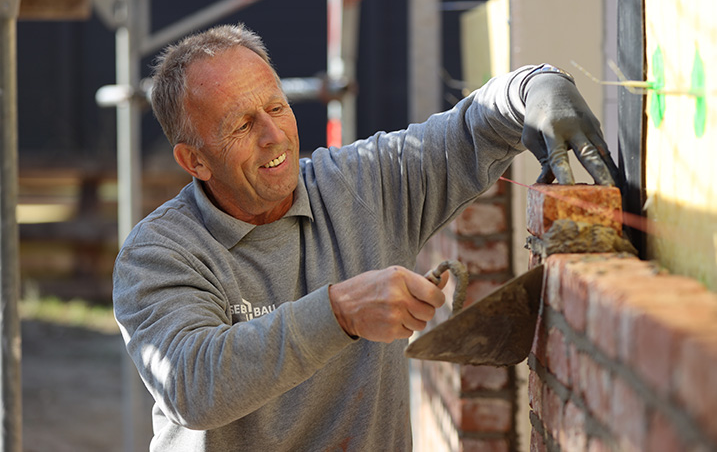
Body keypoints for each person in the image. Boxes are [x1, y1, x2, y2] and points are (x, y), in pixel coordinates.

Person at [113, 23, 618, 451]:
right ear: (194, 160)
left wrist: (536, 87)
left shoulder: (361, 185)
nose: (274, 136)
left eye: (276, 107)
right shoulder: (158, 254)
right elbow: (190, 386)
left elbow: (472, 127)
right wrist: (340, 313)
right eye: (242, 125)